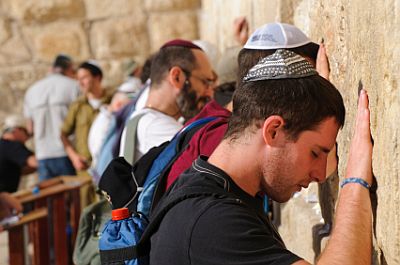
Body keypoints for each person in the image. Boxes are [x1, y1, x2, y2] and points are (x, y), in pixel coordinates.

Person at [150, 50, 373, 264]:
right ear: (273, 131)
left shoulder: (212, 187)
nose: (319, 173)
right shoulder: (210, 222)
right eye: (315, 153)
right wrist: (355, 182)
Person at [119, 39, 216, 164]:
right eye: (205, 82)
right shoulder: (156, 127)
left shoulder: (143, 118)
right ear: (177, 77)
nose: (210, 92)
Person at [23, 54, 79, 181]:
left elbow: (30, 128)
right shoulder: (73, 86)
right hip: (68, 152)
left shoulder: (32, 90)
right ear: (69, 68)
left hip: (43, 154)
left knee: (49, 199)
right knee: (73, 198)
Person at [61, 61, 113, 173]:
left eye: (84, 78)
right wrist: (74, 157)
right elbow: (63, 134)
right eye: (78, 79)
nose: (80, 83)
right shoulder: (77, 105)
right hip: (86, 169)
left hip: (109, 166)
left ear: (97, 77)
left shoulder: (114, 100)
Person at [0, 115, 37, 193]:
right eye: (26, 133)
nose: (26, 139)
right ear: (17, 130)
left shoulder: (3, 145)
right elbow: (35, 163)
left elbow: (11, 171)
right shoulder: (12, 146)